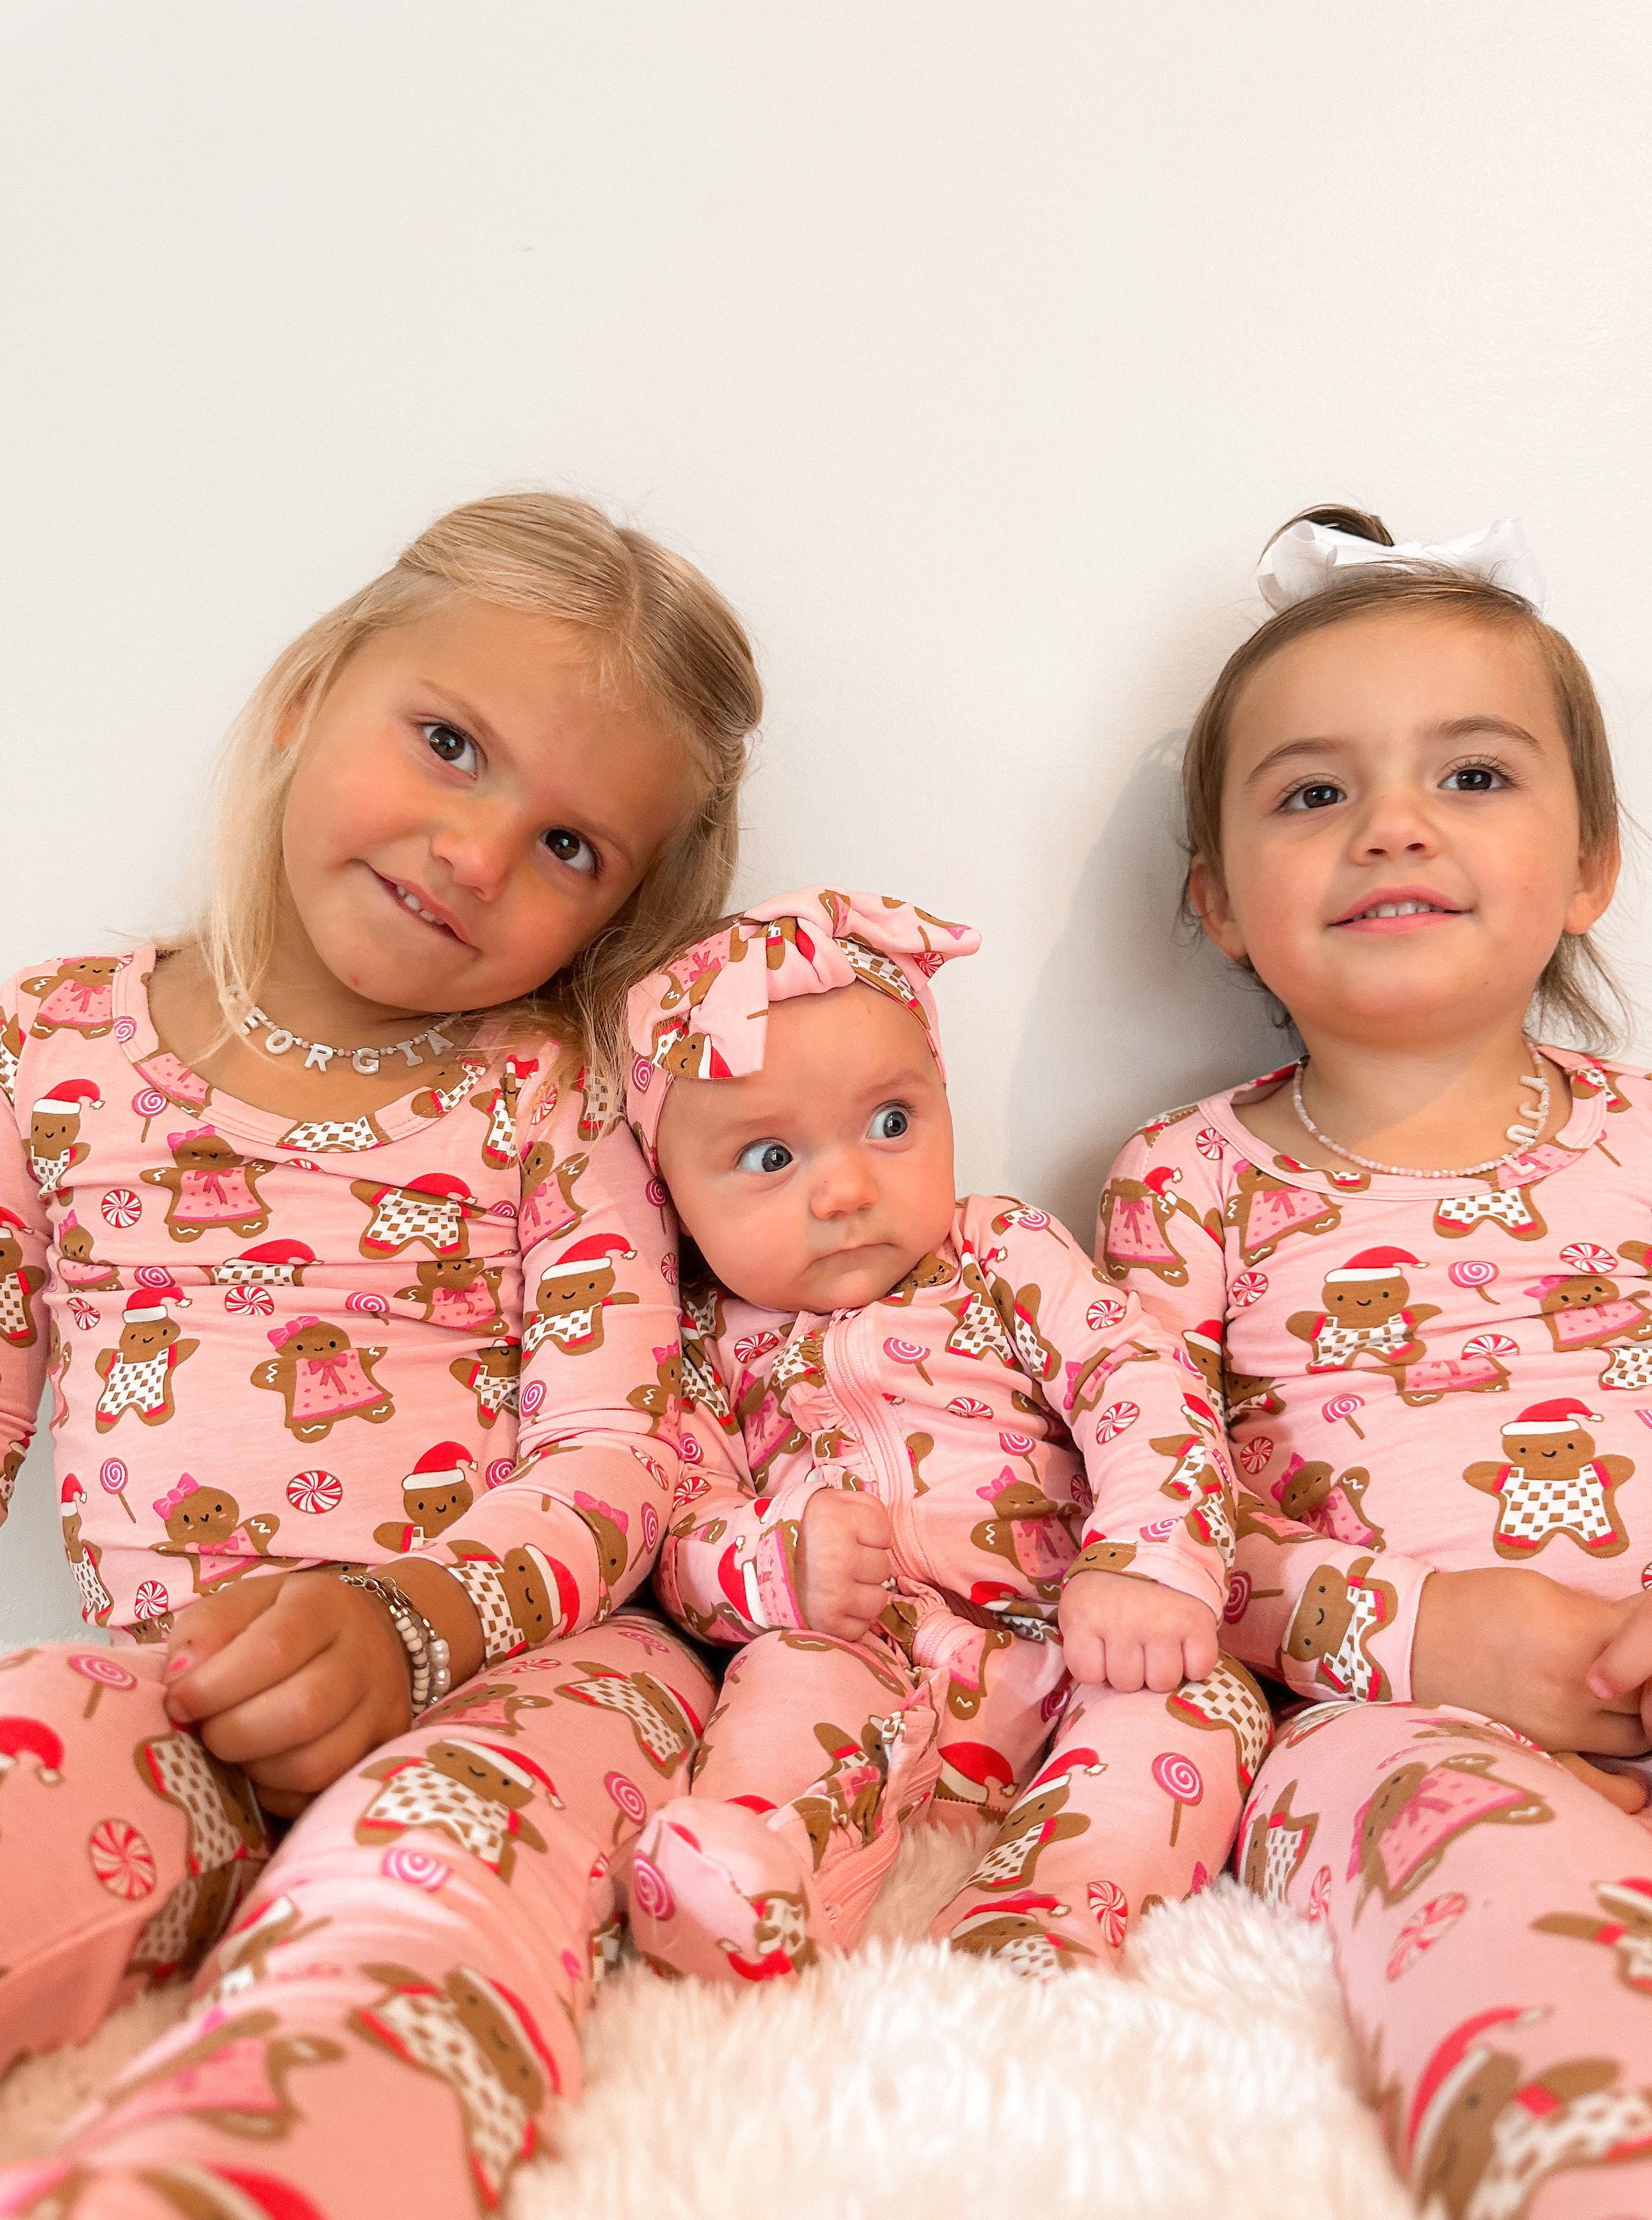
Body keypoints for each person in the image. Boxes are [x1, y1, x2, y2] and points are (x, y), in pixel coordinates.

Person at [0, 491, 760, 2220]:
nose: (479, 854)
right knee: (31, 1733)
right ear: (302, 699)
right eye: (447, 744)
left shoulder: (553, 1095)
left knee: (413, 1915)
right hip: (188, 1680)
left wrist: (410, 1631)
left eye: (573, 847)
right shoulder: (50, 1045)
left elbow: (618, 1451)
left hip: (528, 1678)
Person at [1099, 506, 1652, 2217]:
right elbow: (1152, 1541)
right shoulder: (1186, 1179)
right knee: (1490, 1906)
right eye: (1312, 792)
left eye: (1473, 776)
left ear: (1588, 867)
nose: (1392, 824)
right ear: (1217, 906)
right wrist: (1429, 1633)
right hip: (1400, 1723)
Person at [614, 888, 1272, 1982]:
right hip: (861, 1653)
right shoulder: (694, 1341)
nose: (846, 1189)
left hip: (1075, 1644)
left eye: (890, 1125)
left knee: (1194, 1708)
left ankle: (1042, 1916)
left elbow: (1137, 1379)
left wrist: (1146, 1559)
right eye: (770, 1159)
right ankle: (761, 1884)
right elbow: (670, 1530)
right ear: (672, 1195)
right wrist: (771, 1565)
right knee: (789, 1689)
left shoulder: (998, 1253)